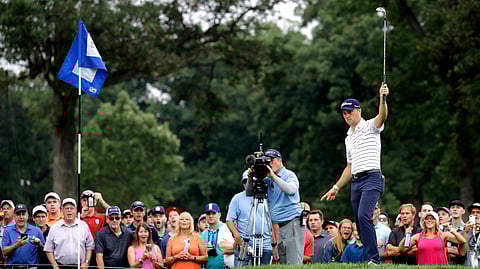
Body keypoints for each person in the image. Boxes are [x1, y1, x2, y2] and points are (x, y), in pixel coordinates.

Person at [321, 83, 389, 265]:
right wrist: (336, 187)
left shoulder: (370, 126)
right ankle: (369, 258)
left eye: (350, 112)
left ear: (358, 110)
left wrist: (382, 99)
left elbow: (382, 117)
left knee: (363, 216)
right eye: (344, 113)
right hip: (356, 181)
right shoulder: (348, 138)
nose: (347, 116)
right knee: (359, 223)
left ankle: (374, 259)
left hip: (372, 177)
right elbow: (349, 166)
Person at [246, 148, 304, 264]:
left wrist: (273, 176)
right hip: (281, 226)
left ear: (279, 160)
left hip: (293, 222)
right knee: (284, 262)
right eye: (267, 162)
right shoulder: (269, 179)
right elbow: (249, 192)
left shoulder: (288, 174)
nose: (269, 164)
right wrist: (250, 177)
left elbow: (291, 190)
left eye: (271, 161)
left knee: (294, 263)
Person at [226, 170, 272, 266]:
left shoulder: (266, 197)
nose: (248, 183)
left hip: (265, 243)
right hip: (244, 244)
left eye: (251, 180)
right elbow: (229, 219)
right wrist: (236, 234)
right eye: (245, 181)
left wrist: (274, 242)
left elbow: (273, 220)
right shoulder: (237, 198)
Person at [399, 211, 467, 265]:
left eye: (432, 219)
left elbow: (462, 241)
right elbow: (402, 250)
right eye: (427, 219)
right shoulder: (417, 237)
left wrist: (451, 230)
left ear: (436, 221)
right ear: (424, 221)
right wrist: (406, 236)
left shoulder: (443, 235)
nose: (429, 220)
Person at [44, 198, 95, 268]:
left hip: (80, 266)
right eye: (66, 208)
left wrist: (86, 262)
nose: (69, 210)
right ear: (62, 210)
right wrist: (55, 265)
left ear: (76, 210)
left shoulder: (83, 226)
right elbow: (48, 249)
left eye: (71, 208)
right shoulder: (55, 228)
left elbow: (90, 246)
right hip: (61, 266)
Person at [200, 203, 225, 269]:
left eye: (213, 213)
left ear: (219, 215)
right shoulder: (203, 234)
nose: (211, 216)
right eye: (208, 214)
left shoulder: (226, 229)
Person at [464, 202, 480, 267]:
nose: (475, 214)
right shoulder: (467, 228)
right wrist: (465, 232)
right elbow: (464, 250)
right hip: (469, 262)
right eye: (473, 212)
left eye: (478, 212)